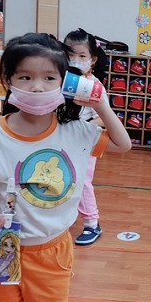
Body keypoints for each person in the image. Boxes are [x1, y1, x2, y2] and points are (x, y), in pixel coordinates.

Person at [0, 33, 132, 302]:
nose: (38, 87)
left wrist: (100, 103)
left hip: (52, 250)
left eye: (49, 78)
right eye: (25, 77)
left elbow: (123, 145)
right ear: (8, 80)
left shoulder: (76, 132)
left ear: (65, 83)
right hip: (4, 244)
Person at [64, 28, 108, 245]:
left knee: (82, 182)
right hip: (65, 141)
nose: (75, 60)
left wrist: (82, 128)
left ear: (92, 60)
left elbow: (104, 118)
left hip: (85, 142)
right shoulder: (63, 80)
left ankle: (92, 223)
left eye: (82, 56)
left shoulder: (94, 86)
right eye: (70, 54)